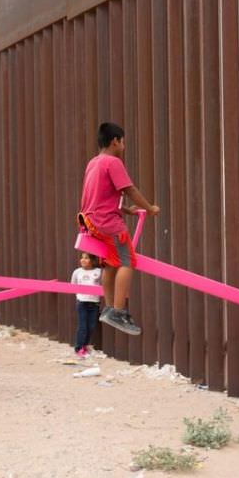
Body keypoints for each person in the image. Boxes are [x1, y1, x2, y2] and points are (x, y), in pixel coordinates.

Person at [78, 122, 160, 335]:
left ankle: (108, 308)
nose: (123, 146)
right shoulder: (113, 162)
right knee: (127, 261)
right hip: (109, 224)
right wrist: (149, 208)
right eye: (123, 142)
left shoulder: (93, 163)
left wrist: (126, 210)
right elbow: (129, 189)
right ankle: (118, 310)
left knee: (111, 264)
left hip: (91, 221)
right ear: (115, 141)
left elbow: (99, 197)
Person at [71, 252, 103, 357]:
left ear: (93, 260)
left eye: (86, 258)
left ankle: (85, 345)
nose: (83, 260)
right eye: (82, 258)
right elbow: (73, 285)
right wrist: (79, 296)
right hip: (82, 303)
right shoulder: (77, 272)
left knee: (91, 326)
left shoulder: (99, 272)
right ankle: (79, 348)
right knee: (82, 326)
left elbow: (103, 284)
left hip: (94, 303)